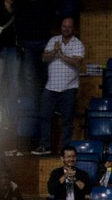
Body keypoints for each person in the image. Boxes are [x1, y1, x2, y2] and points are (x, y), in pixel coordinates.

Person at [34, 16, 82, 156]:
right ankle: (45, 146)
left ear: (73, 29)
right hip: (51, 87)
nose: (66, 29)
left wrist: (62, 56)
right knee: (44, 116)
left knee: (67, 120)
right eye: (64, 26)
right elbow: (44, 58)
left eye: (69, 27)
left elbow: (77, 63)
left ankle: (65, 149)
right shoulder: (53, 40)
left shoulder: (78, 44)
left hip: (69, 88)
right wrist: (55, 51)